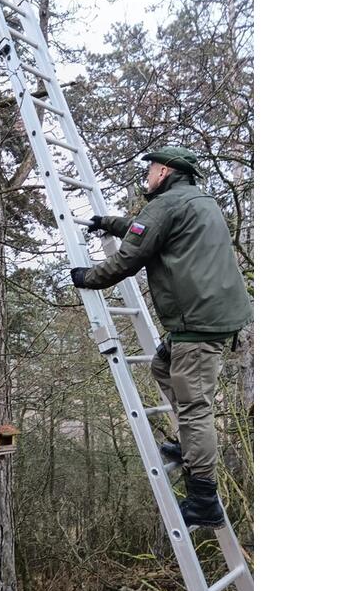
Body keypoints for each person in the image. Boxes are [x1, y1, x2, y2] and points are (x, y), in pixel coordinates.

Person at [69, 147, 252, 528]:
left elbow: (129, 258)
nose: (148, 174)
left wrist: (88, 278)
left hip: (196, 324)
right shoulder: (198, 201)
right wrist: (109, 222)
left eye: (151, 168)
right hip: (213, 315)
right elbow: (147, 231)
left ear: (165, 171)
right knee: (162, 365)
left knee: (195, 406)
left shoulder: (166, 204)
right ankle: (189, 444)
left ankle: (203, 498)